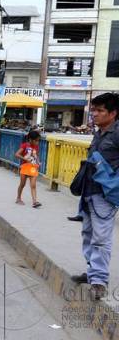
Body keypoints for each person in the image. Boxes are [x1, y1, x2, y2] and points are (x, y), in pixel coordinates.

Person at [71, 93, 119, 300]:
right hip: (89, 191)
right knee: (88, 234)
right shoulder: (99, 133)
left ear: (113, 113)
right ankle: (92, 273)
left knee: (101, 238)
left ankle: (99, 281)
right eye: (94, 110)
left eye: (100, 111)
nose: (95, 115)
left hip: (105, 195)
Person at [15, 130, 42, 208]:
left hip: (33, 167)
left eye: (38, 140)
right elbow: (17, 154)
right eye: (36, 140)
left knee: (33, 185)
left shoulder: (36, 147)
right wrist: (25, 159)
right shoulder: (24, 145)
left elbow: (36, 156)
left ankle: (34, 201)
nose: (37, 142)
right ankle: (18, 198)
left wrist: (38, 162)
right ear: (30, 139)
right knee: (22, 184)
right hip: (25, 167)